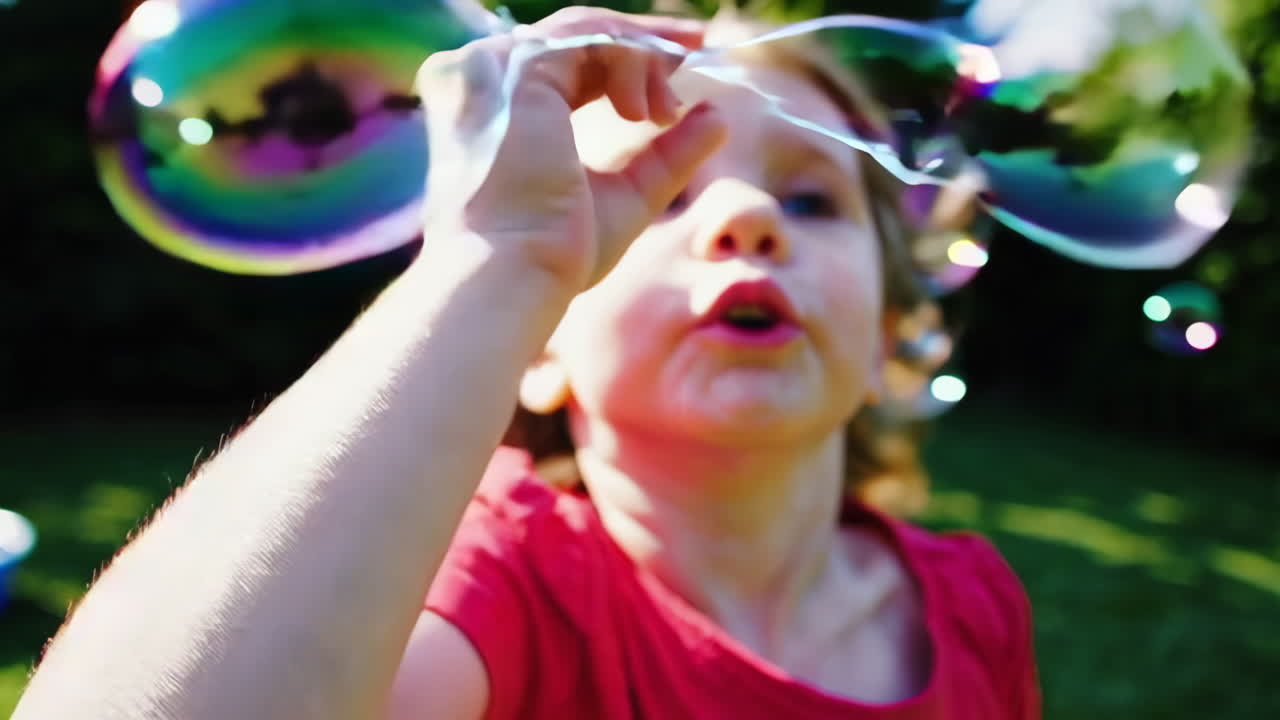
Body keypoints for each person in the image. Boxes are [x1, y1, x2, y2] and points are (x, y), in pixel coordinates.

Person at [14, 6, 1039, 719]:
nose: (745, 217)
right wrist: (498, 260)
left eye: (811, 198)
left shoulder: (974, 605)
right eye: (662, 194)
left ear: (890, 336)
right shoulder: (507, 587)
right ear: (536, 350)